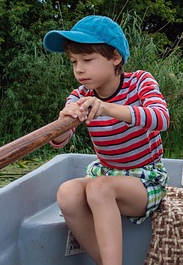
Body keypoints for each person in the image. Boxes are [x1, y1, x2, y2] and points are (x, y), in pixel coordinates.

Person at [43, 15, 170, 265]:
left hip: (144, 178)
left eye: (87, 60)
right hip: (105, 174)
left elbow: (161, 118)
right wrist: (62, 122)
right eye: (74, 61)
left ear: (115, 58)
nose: (79, 69)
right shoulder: (79, 96)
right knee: (67, 193)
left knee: (99, 187)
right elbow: (61, 140)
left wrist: (108, 109)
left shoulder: (140, 82)